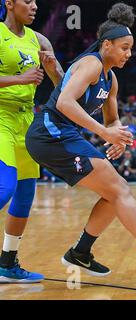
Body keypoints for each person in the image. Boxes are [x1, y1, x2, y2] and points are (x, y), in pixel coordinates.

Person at [25, 3, 136, 283]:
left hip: (62, 136)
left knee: (114, 194)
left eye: (130, 48)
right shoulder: (92, 63)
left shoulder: (112, 79)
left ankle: (80, 253)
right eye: (124, 47)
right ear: (106, 44)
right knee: (120, 189)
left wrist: (118, 135)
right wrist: (106, 134)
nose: (129, 54)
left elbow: (112, 120)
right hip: (49, 133)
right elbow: (64, 102)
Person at [0, 0, 64, 283]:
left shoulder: (39, 39)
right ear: (10, 4)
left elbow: (62, 82)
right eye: (28, 1)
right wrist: (20, 79)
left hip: (26, 121)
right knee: (4, 188)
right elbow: (21, 78)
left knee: (25, 196)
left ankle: (7, 263)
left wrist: (52, 69)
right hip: (1, 117)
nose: (35, 6)